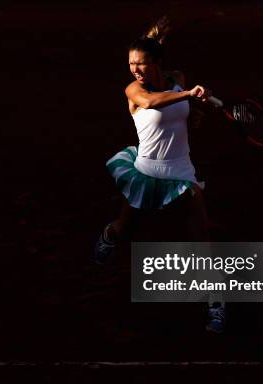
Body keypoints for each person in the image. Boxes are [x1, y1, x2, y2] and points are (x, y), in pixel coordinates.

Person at [93, 16, 226, 333]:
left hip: (181, 169)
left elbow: (186, 112)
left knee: (201, 235)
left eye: (140, 64)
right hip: (146, 169)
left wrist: (200, 110)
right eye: (130, 64)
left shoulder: (178, 79)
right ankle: (110, 235)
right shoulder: (133, 91)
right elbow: (153, 102)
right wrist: (188, 95)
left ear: (156, 63)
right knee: (126, 226)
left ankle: (216, 304)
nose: (134, 70)